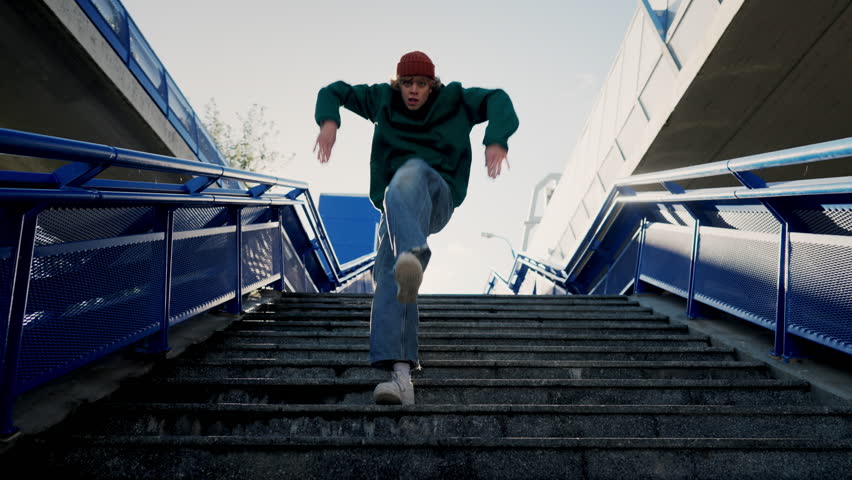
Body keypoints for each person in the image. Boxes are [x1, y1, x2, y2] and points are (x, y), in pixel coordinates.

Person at [313, 51, 519, 405]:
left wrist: (496, 139)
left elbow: (497, 98)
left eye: (421, 85)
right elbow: (334, 91)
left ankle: (413, 255)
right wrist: (329, 122)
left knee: (409, 173)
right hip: (397, 210)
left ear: (431, 86)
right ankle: (401, 377)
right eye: (407, 83)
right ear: (398, 84)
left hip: (437, 194)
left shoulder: (455, 99)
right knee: (389, 275)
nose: (413, 91)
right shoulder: (382, 99)